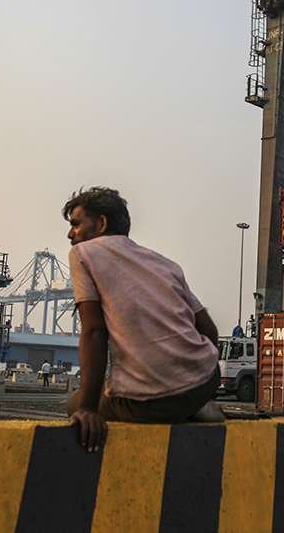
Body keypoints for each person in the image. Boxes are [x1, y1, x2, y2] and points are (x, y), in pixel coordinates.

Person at [63, 187, 220, 452]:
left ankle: (174, 406)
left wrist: (87, 409)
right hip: (206, 381)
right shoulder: (165, 264)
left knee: (73, 404)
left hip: (147, 404)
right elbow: (208, 330)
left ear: (101, 223)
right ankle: (194, 407)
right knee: (180, 396)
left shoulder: (82, 254)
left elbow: (94, 331)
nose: (70, 234)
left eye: (76, 224)